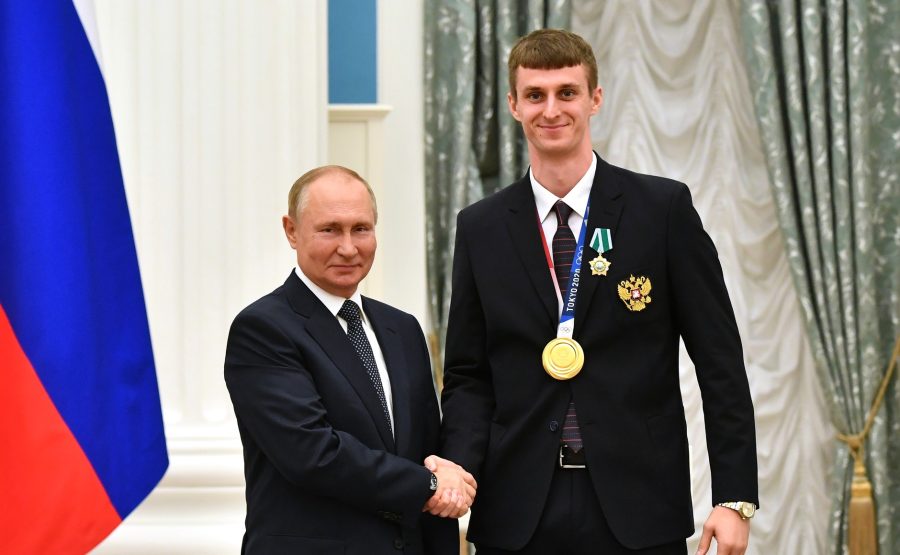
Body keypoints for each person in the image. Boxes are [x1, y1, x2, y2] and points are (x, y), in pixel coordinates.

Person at [439, 29, 758, 555]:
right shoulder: (480, 227)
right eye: (535, 95)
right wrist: (457, 467)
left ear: (595, 98)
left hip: (639, 506)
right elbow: (469, 375)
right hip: (517, 510)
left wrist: (735, 497)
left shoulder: (662, 211)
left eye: (567, 92)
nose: (551, 110)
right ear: (514, 105)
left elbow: (719, 361)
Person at [225, 165, 475, 555]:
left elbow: (426, 444)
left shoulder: (402, 328)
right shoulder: (263, 329)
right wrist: (428, 485)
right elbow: (312, 453)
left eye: (361, 229)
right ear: (291, 231)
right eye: (329, 230)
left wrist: (451, 476)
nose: (348, 247)